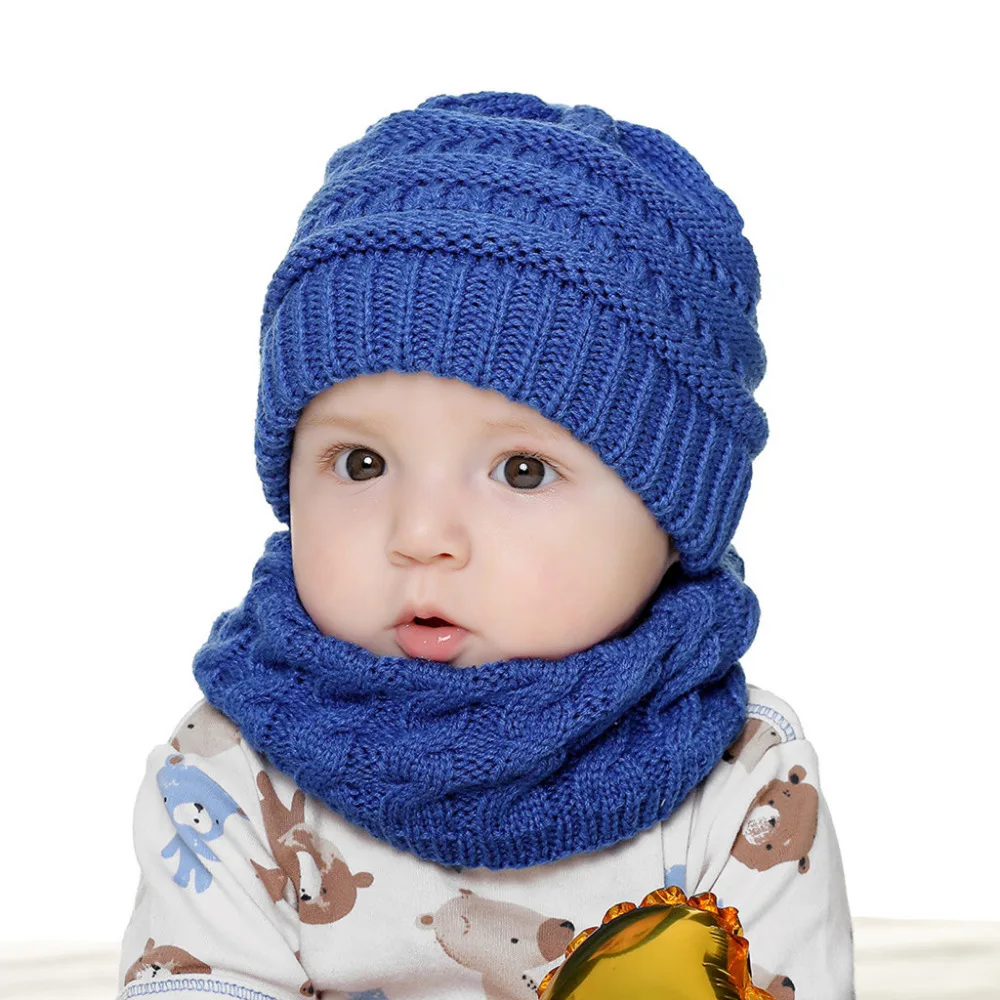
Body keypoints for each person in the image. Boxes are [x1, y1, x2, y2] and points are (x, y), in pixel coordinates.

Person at [117, 91, 854, 1000]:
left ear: (674, 526)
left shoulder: (739, 774)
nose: (421, 536)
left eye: (523, 472)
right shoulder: (228, 768)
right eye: (360, 463)